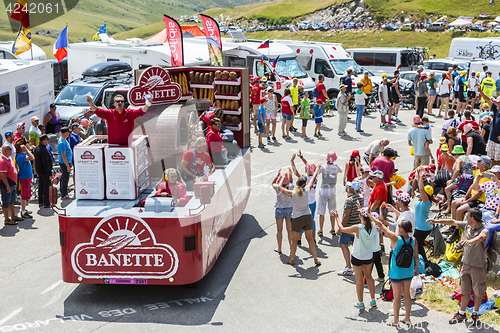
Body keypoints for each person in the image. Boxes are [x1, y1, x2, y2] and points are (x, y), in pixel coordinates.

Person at [427, 208, 488, 325]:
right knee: (464, 290)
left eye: (468, 216)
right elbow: (453, 221)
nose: (466, 218)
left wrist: (469, 241)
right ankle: (461, 313)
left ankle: (475, 314)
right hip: (466, 264)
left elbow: (481, 238)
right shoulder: (468, 225)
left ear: (473, 219)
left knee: (478, 291)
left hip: (478, 266)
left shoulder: (484, 230)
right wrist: (436, 221)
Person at [373, 217, 418, 327]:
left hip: (396, 272)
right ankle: (407, 318)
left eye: (398, 226)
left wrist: (369, 214)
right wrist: (416, 269)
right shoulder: (414, 240)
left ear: (402, 229)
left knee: (397, 296)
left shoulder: (395, 238)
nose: (397, 228)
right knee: (407, 294)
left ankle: (395, 321)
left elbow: (381, 224)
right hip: (408, 271)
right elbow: (416, 256)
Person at [335, 207, 379, 310]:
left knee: (359, 279)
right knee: (369, 277)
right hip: (369, 256)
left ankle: (360, 302)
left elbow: (342, 229)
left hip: (357, 256)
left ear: (361, 216)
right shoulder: (373, 226)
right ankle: (373, 300)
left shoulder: (358, 227)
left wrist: (337, 218)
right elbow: (360, 235)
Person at [277, 165, 322, 266]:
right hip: (307, 216)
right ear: (304, 184)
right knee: (310, 239)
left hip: (297, 218)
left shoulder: (293, 193)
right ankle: (315, 258)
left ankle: (292, 259)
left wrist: (283, 177)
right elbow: (313, 178)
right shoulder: (307, 190)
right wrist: (317, 169)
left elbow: (279, 187)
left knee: (294, 240)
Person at [86, 93, 151, 146]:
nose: (119, 102)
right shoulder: (110, 113)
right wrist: (90, 103)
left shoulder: (130, 113)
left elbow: (141, 112)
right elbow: (98, 111)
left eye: (121, 101)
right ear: (114, 104)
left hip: (127, 145)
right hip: (113, 145)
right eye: (117, 101)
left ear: (124, 103)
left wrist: (148, 104)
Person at [336, 180, 365, 276]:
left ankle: (348, 267)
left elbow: (346, 216)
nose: (348, 187)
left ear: (352, 189)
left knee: (343, 245)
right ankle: (357, 266)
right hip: (358, 226)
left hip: (349, 227)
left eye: (350, 186)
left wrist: (341, 228)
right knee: (355, 247)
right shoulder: (361, 197)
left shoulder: (349, 200)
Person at [451, 156, 491, 221]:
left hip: (479, 200)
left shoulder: (486, 177)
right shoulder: (479, 172)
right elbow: (472, 185)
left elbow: (479, 194)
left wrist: (467, 201)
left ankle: (457, 229)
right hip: (472, 197)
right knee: (454, 203)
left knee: (459, 210)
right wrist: (465, 197)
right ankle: (453, 225)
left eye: (478, 161)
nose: (476, 163)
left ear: (483, 164)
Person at [291, 151, 319, 244]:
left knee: (302, 220)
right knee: (312, 221)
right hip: (313, 202)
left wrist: (292, 162)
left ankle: (299, 239)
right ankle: (313, 238)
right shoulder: (314, 178)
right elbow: (310, 167)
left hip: (306, 203)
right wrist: (302, 157)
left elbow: (296, 173)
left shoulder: (305, 179)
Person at [470, 165, 500, 249]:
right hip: (485, 208)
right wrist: (478, 178)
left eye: (495, 173)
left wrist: (496, 180)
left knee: (483, 225)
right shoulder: (488, 183)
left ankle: (480, 248)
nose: (492, 174)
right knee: (468, 218)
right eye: (491, 172)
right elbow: (475, 188)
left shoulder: (498, 183)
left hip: (493, 211)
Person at [413, 169, 439, 262]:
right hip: (421, 227)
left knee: (418, 245)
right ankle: (421, 261)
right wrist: (419, 176)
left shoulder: (426, 202)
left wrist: (420, 177)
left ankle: (424, 261)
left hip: (422, 228)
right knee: (417, 245)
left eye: (422, 192)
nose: (420, 193)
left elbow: (420, 189)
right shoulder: (423, 202)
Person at [317, 152, 342, 237]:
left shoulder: (323, 167)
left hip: (323, 189)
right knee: (332, 210)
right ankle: (333, 229)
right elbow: (341, 170)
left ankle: (320, 230)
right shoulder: (336, 167)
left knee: (322, 211)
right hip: (332, 190)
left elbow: (316, 174)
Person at [442, 145, 474, 213]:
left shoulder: (459, 160)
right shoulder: (468, 158)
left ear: (456, 154)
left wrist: (452, 180)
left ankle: (449, 206)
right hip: (469, 179)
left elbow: (457, 170)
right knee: (448, 183)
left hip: (461, 181)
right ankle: (447, 201)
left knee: (447, 189)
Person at [271, 169, 293, 254]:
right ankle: (291, 248)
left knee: (279, 230)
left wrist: (277, 176)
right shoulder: (291, 187)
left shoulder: (277, 188)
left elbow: (273, 183)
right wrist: (290, 175)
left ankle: (279, 248)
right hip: (289, 209)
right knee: (289, 230)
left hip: (279, 210)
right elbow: (291, 182)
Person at [478, 85, 500, 167]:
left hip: (499, 142)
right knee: (492, 159)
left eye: (498, 102)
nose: (496, 103)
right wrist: (480, 91)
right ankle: (492, 174)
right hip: (492, 139)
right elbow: (487, 99)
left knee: (499, 161)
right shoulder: (496, 110)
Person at [0, 144, 22, 225]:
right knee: (6, 202)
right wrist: (7, 186)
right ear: (4, 151)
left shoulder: (8, 158)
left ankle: (13, 216)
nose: (11, 150)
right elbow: (3, 175)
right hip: (7, 185)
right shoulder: (2, 160)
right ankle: (6, 219)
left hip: (12, 184)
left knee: (12, 201)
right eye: (9, 149)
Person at [14, 138, 34, 219]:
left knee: (25, 195)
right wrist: (26, 149)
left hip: (27, 176)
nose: (28, 145)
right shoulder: (21, 156)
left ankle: (24, 209)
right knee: (24, 195)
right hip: (24, 177)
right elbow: (32, 157)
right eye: (26, 144)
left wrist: (26, 149)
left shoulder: (23, 154)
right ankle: (23, 211)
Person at [33, 134, 53, 208]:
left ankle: (40, 201)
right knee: (46, 187)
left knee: (41, 186)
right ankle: (46, 203)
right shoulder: (43, 150)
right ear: (43, 141)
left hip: (39, 171)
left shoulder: (37, 148)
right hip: (44, 172)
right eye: (46, 140)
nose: (48, 141)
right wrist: (50, 173)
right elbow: (46, 163)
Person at [58, 127, 73, 200]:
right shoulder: (62, 143)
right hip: (64, 163)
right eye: (68, 132)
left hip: (67, 162)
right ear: (65, 133)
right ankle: (64, 194)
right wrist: (68, 166)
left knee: (64, 177)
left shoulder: (64, 141)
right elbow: (63, 156)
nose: (69, 134)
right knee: (65, 178)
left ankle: (64, 192)